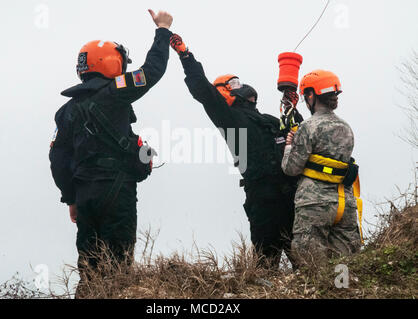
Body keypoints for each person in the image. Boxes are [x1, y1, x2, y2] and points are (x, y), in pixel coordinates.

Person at [49, 9, 173, 295]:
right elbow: (151, 72)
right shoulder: (117, 89)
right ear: (111, 62)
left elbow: (57, 160)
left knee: (90, 268)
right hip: (117, 191)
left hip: (84, 194)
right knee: (118, 271)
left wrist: (71, 198)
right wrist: (163, 30)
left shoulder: (65, 111)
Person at [170, 34, 303, 268]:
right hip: (263, 198)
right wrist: (185, 54)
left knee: (303, 259)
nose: (239, 86)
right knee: (266, 263)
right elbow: (202, 89)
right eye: (232, 84)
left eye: (238, 82)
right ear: (223, 92)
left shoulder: (270, 120)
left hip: (292, 195)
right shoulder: (229, 119)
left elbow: (299, 134)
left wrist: (292, 109)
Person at [281, 70, 362, 265]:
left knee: (311, 265)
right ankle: (341, 292)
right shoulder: (346, 128)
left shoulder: (308, 127)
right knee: (345, 265)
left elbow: (291, 169)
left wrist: (288, 147)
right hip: (345, 203)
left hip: (314, 204)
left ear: (311, 95)